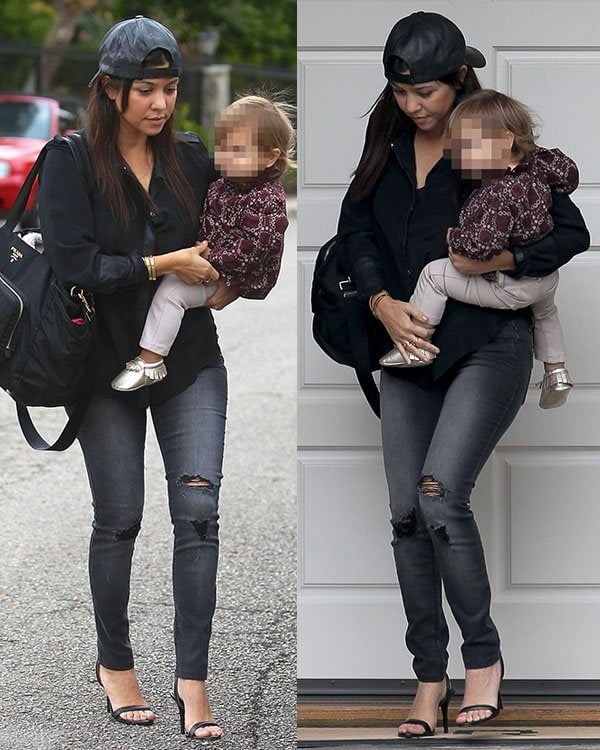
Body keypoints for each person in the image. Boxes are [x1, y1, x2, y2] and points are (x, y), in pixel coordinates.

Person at [335, 11, 589, 738]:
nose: (415, 105)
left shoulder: (491, 137)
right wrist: (382, 302)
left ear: (459, 79)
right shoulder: (384, 142)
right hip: (408, 352)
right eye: (401, 91)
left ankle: (483, 662)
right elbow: (355, 231)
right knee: (407, 517)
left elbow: (570, 233)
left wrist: (497, 264)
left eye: (427, 92)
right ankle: (426, 679)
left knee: (441, 495)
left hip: (487, 345)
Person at [38, 15, 234, 741]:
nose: (161, 103)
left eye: (170, 89)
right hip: (102, 366)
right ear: (112, 90)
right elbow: (77, 266)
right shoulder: (71, 160)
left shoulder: (191, 155)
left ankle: (193, 680)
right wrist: (164, 264)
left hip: (188, 361)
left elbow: (233, 243)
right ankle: (114, 664)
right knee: (120, 519)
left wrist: (233, 279)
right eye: (146, 90)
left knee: (199, 517)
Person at [379, 89, 578, 409]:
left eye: (470, 148)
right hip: (545, 279)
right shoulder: (539, 167)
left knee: (434, 274)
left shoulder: (496, 193)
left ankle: (417, 345)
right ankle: (556, 371)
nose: (462, 158)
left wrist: (455, 239)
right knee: (547, 313)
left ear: (506, 141)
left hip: (511, 286)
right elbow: (568, 174)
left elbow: (483, 244)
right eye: (459, 148)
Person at [111, 94, 293, 391]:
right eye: (221, 147)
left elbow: (256, 246)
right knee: (169, 285)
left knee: (172, 293)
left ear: (270, 156)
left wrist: (210, 261)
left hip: (230, 271)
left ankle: (151, 359)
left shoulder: (266, 199)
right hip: (213, 262)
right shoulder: (226, 181)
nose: (224, 158)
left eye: (237, 150)